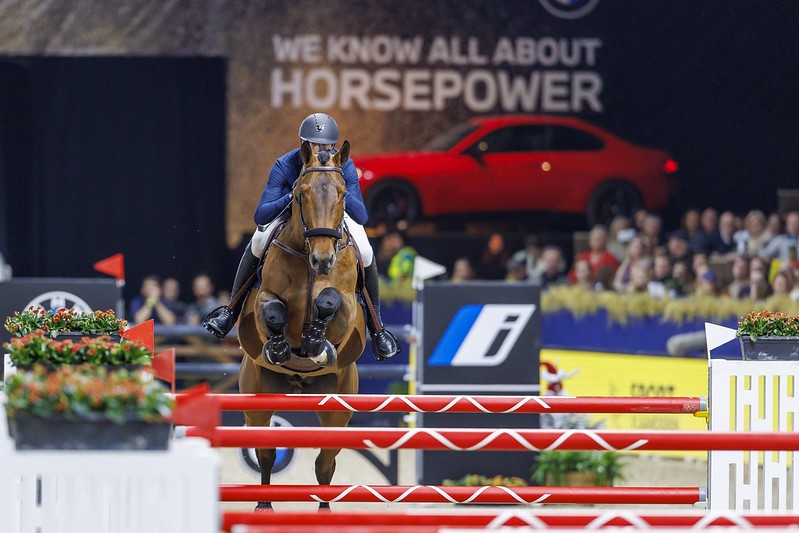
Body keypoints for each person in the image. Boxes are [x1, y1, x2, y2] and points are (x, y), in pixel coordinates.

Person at [202, 113, 399, 361]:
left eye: (327, 146)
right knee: (258, 240)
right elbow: (261, 214)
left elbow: (362, 216)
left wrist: (338, 193)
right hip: (294, 216)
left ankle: (377, 327)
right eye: (316, 145)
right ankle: (230, 311)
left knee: (366, 250)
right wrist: (293, 196)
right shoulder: (285, 164)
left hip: (330, 218)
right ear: (304, 145)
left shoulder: (343, 164)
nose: (323, 151)